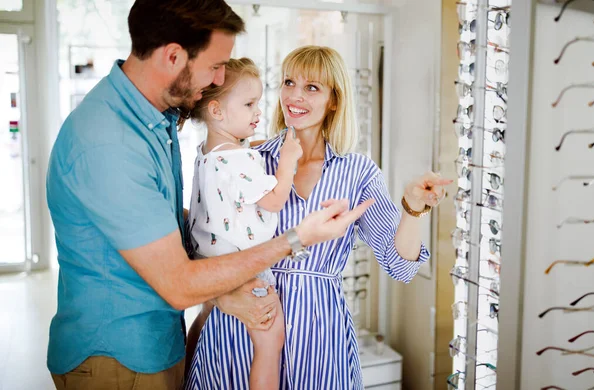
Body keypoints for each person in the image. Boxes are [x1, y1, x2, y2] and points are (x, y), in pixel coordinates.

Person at [45, 1, 372, 388]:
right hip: (118, 358)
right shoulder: (111, 141)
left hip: (153, 347)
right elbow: (179, 283)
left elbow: (158, 221)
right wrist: (297, 238)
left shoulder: (153, 119)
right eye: (215, 66)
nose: (219, 80)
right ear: (173, 56)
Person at [186, 45, 452, 389]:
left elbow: (400, 267)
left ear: (334, 100)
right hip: (242, 327)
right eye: (289, 82)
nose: (295, 96)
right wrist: (219, 298)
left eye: (312, 87)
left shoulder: (359, 172)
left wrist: (412, 208)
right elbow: (202, 242)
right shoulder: (249, 159)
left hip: (319, 341)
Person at [186, 57, 302, 389]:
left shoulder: (207, 154)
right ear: (217, 111)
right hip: (245, 268)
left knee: (204, 322)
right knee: (270, 337)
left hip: (212, 266)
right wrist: (288, 161)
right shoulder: (241, 158)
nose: (258, 112)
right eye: (249, 104)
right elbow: (274, 199)